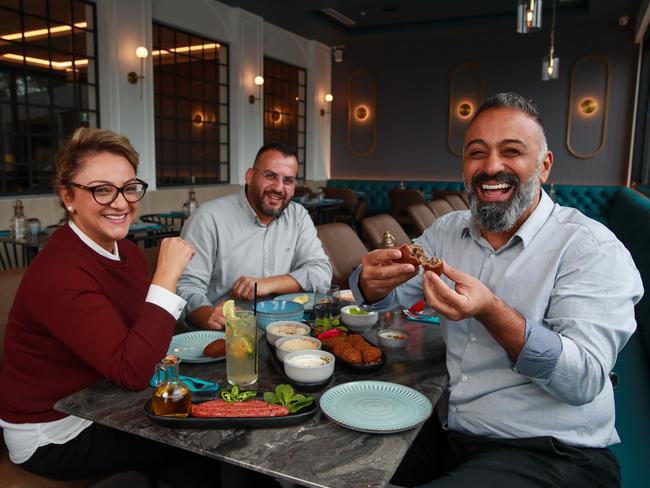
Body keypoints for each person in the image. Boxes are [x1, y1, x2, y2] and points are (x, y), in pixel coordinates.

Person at [351, 93, 643, 487]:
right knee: (335, 464)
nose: (491, 167)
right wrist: (368, 284)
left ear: (544, 166)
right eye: (477, 153)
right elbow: (390, 294)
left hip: (554, 452)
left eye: (512, 152)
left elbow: (584, 380)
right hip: (456, 431)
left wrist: (490, 310)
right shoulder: (447, 231)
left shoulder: (590, 247)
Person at [0, 128, 221, 485]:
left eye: (129, 187)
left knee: (213, 423)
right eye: (101, 189)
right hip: (55, 430)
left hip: (102, 403)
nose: (121, 202)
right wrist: (165, 276)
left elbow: (142, 340)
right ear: (68, 196)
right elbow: (132, 372)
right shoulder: (60, 271)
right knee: (197, 441)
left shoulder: (127, 252)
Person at [178, 141, 332, 330]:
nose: (278, 187)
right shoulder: (208, 218)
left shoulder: (298, 216)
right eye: (270, 176)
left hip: (287, 328)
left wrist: (268, 284)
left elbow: (322, 273)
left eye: (288, 180)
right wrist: (207, 316)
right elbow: (185, 286)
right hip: (227, 334)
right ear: (250, 176)